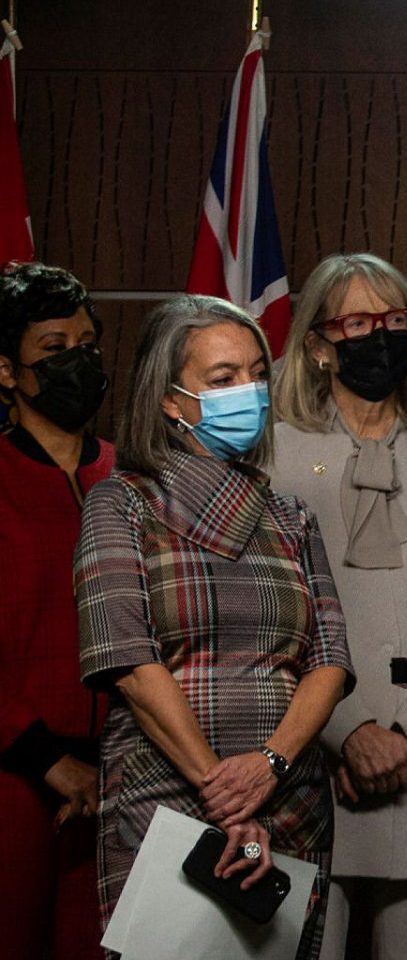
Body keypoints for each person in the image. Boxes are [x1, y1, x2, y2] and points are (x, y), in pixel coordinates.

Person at [74, 295, 354, 959]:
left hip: (289, 800)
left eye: (257, 374)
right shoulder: (120, 503)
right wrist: (224, 793)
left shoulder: (291, 517)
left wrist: (269, 764)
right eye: (223, 379)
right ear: (171, 400)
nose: (248, 393)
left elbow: (331, 662)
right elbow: (129, 665)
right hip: (166, 798)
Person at [266, 253, 407, 960]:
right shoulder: (273, 459)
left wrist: (404, 739)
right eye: (360, 322)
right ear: (317, 345)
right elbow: (271, 623)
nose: (382, 338)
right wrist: (351, 731)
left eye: (397, 321)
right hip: (309, 775)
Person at [0, 263, 114, 959]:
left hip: (118, 781)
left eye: (88, 343)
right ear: (7, 372)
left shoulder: (130, 478)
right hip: (14, 777)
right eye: (53, 348)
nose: (78, 360)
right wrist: (48, 759)